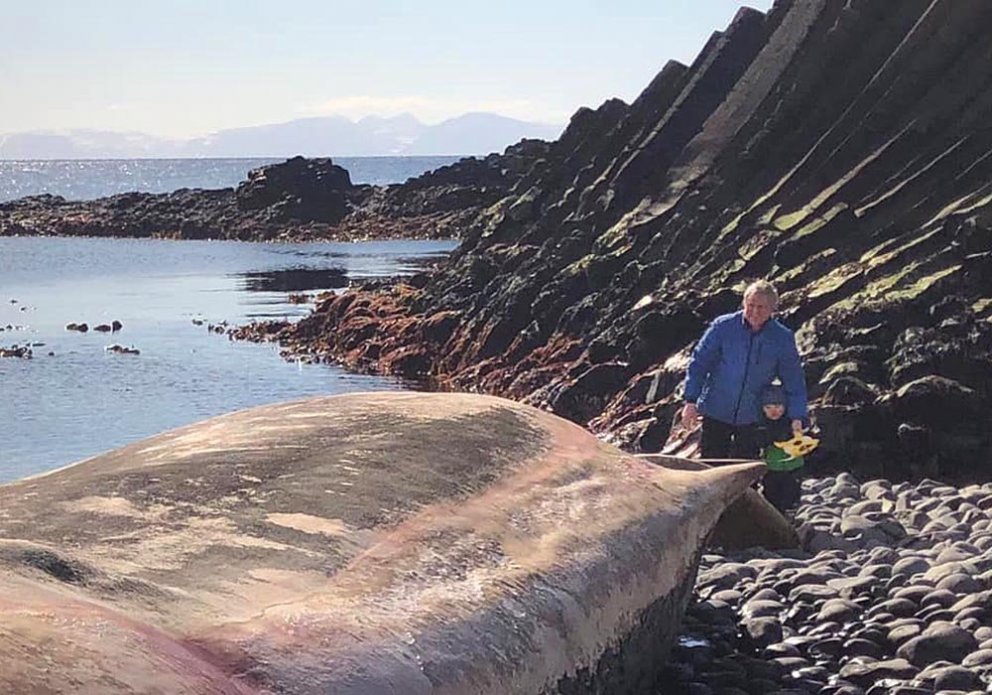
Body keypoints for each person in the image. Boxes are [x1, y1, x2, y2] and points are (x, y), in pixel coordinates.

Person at [680, 279, 807, 459]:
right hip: (716, 410)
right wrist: (690, 401)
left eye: (761, 307)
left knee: (745, 469)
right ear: (743, 303)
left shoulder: (782, 338)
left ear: (773, 309)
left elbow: (794, 380)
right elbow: (699, 363)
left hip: (753, 416)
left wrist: (797, 416)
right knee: (710, 465)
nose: (754, 311)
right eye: (750, 305)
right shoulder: (722, 327)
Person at [756, 382, 807, 513]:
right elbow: (758, 443)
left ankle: (790, 513)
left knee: (792, 494)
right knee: (771, 495)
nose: (774, 411)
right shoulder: (761, 424)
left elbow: (806, 431)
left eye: (778, 406)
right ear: (762, 408)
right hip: (772, 467)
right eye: (768, 407)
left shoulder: (792, 422)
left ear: (785, 406)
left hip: (793, 466)